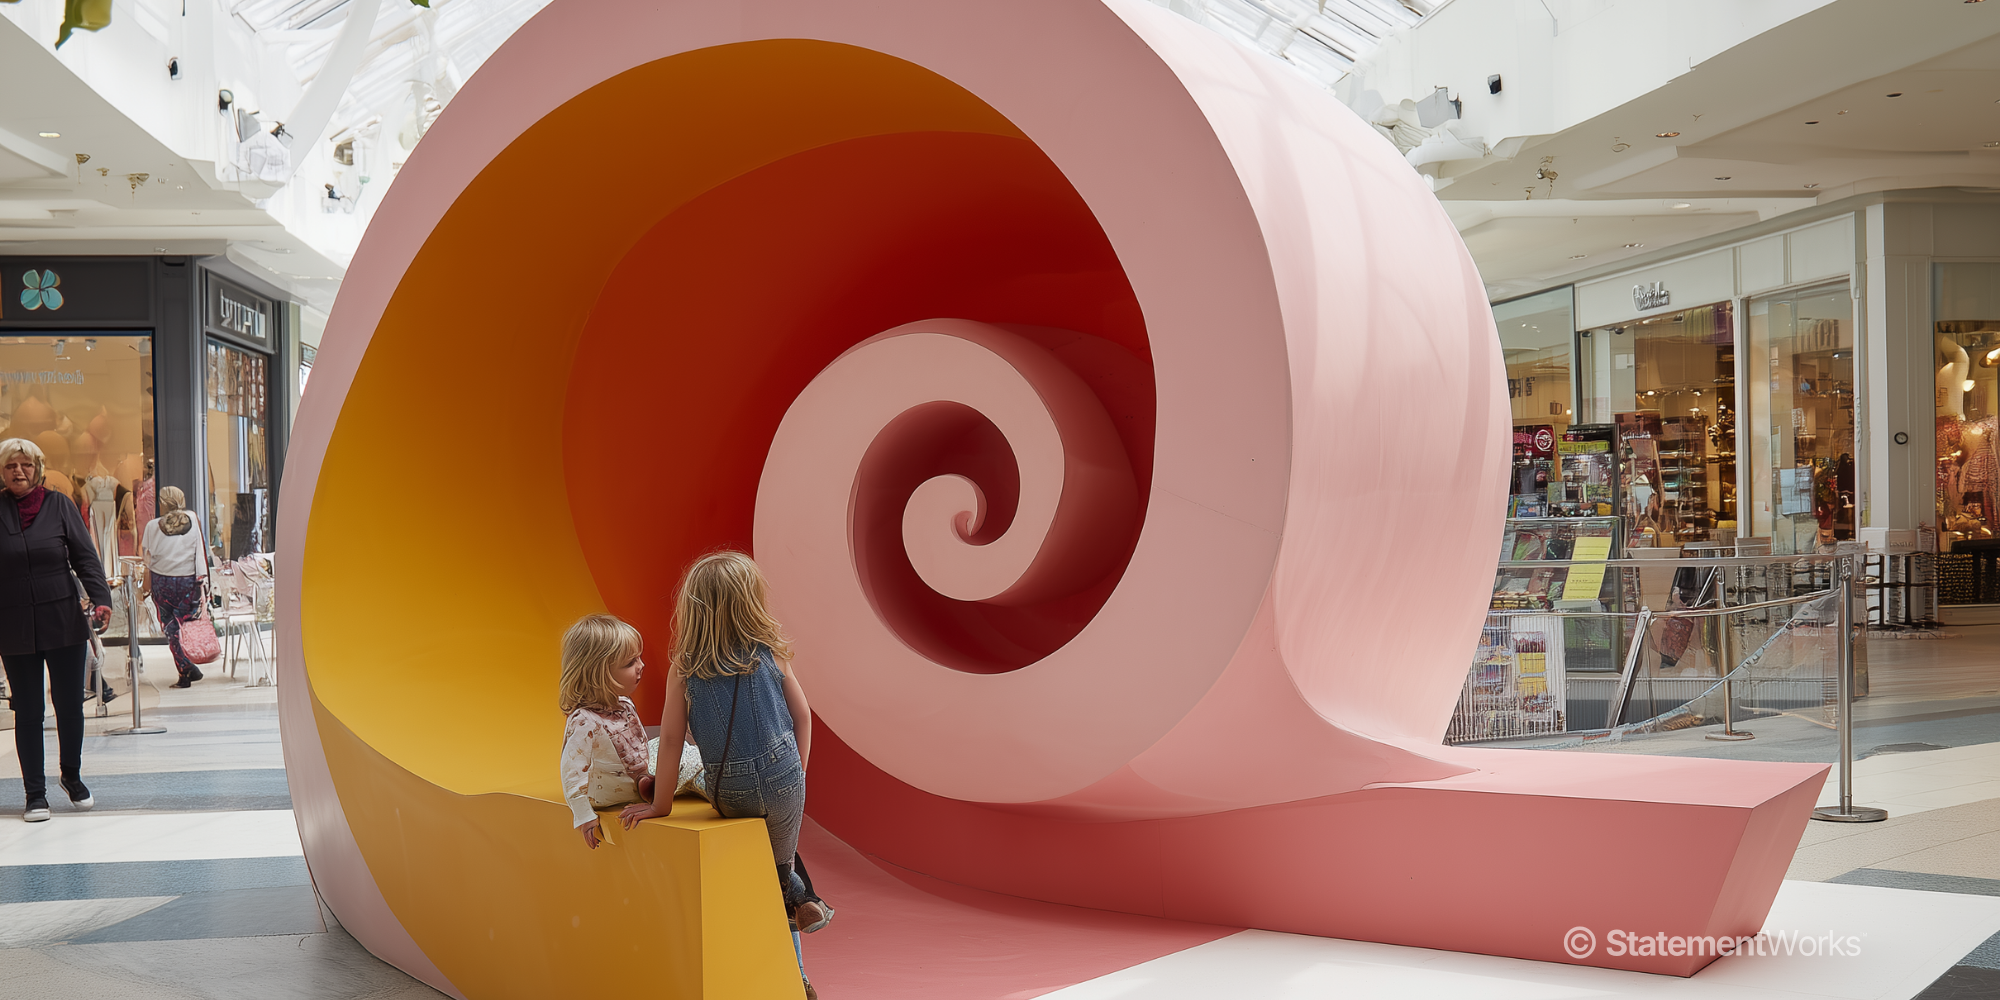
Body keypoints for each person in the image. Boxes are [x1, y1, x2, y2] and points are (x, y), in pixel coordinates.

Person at [621, 552, 832, 997]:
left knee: (685, 762)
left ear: (693, 607)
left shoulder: (686, 666)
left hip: (730, 788)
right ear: (750, 601)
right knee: (779, 865)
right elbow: (804, 719)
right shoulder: (771, 651)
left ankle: (797, 939)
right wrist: (797, 778)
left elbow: (674, 738)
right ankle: (800, 939)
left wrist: (659, 806)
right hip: (784, 781)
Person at [0, 438, 113, 822]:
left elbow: (85, 557)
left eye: (26, 465)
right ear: (2, 472)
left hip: (63, 618)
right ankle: (35, 794)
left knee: (68, 704)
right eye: (11, 466)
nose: (19, 471)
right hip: (13, 623)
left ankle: (72, 775)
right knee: (28, 709)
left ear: (38, 469)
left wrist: (102, 600)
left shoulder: (60, 505)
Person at [556, 614, 656, 849]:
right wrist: (585, 817)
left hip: (631, 777)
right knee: (679, 758)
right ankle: (653, 782)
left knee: (671, 748)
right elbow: (572, 773)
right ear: (600, 674)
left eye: (638, 658)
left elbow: (638, 742)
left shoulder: (624, 703)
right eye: (630, 663)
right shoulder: (584, 721)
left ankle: (646, 779)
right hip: (606, 794)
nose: (641, 666)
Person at [140, 486, 210, 688]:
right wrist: (203, 579)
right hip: (188, 580)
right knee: (186, 623)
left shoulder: (153, 526)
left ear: (162, 503)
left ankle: (186, 669)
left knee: (170, 626)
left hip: (162, 581)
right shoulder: (193, 519)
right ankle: (188, 664)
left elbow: (147, 556)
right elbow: (200, 550)